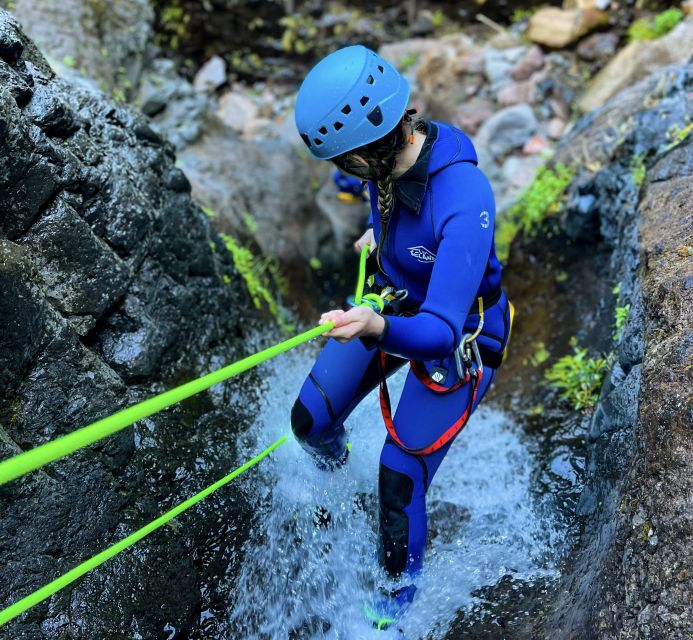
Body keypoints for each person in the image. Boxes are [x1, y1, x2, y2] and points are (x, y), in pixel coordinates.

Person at [291, 45, 512, 628]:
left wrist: (376, 326)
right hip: (393, 302)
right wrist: (377, 227)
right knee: (310, 423)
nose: (349, 173)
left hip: (461, 336)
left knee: (398, 474)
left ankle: (395, 604)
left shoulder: (465, 197)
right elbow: (372, 188)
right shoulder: (383, 155)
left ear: (381, 138)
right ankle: (340, 485)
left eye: (353, 162)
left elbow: (440, 331)